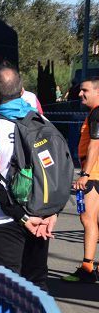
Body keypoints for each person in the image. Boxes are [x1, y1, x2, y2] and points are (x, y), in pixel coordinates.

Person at [0, 65, 57, 291]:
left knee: (7, 291)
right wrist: (52, 212)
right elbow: (57, 172)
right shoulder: (43, 123)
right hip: (41, 217)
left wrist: (21, 217)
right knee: (37, 288)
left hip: (3, 221)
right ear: (23, 92)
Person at [66, 77, 99, 282]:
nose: (80, 94)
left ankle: (87, 268)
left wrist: (85, 174)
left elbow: (95, 144)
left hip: (94, 174)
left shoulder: (96, 112)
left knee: (87, 219)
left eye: (84, 90)